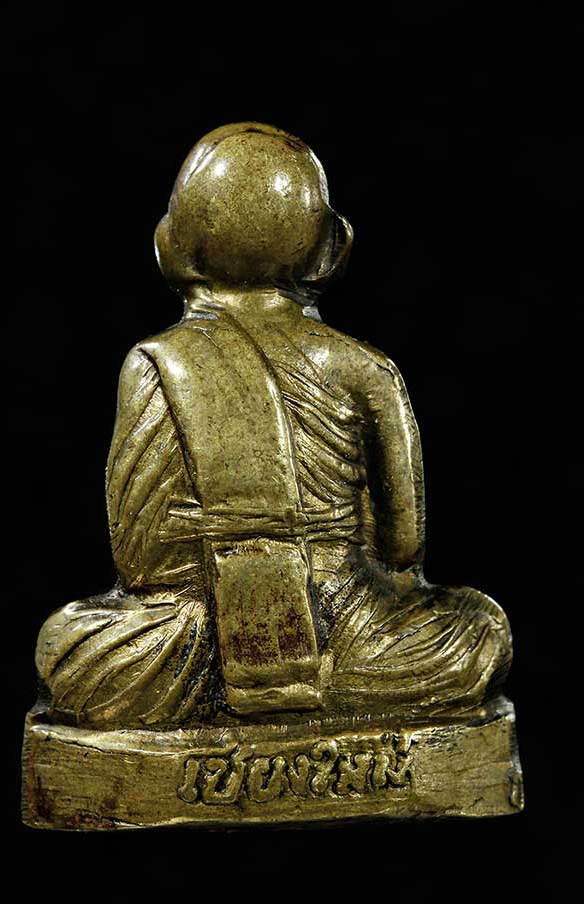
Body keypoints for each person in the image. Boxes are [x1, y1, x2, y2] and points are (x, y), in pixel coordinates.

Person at [35, 122, 512, 728]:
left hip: (193, 643)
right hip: (346, 628)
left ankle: (243, 686)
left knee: (68, 649)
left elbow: (139, 561)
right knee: (478, 631)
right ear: (332, 248)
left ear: (169, 245)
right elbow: (402, 550)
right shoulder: (364, 368)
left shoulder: (153, 363)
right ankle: (323, 684)